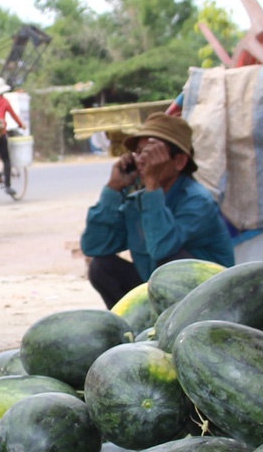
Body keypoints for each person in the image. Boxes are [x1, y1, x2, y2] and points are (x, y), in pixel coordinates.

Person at [80, 114, 235, 307]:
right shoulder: (138, 200)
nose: (143, 161)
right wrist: (113, 188)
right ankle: (132, 327)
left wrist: (152, 185)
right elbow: (94, 246)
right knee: (101, 267)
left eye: (152, 154)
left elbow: (162, 248)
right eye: (139, 153)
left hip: (208, 300)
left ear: (179, 162)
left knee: (170, 263)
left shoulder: (197, 200)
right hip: (160, 293)